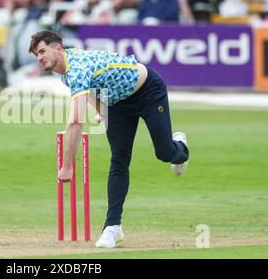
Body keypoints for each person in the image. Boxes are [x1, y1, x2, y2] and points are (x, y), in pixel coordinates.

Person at [28, 31, 189, 248]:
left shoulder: (76, 69)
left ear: (58, 49)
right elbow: (95, 84)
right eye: (36, 54)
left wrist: (67, 167)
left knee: (164, 153)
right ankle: (112, 227)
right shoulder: (65, 68)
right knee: (119, 159)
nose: (39, 58)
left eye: (42, 51)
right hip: (117, 104)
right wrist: (102, 111)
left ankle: (180, 147)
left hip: (147, 91)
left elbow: (75, 123)